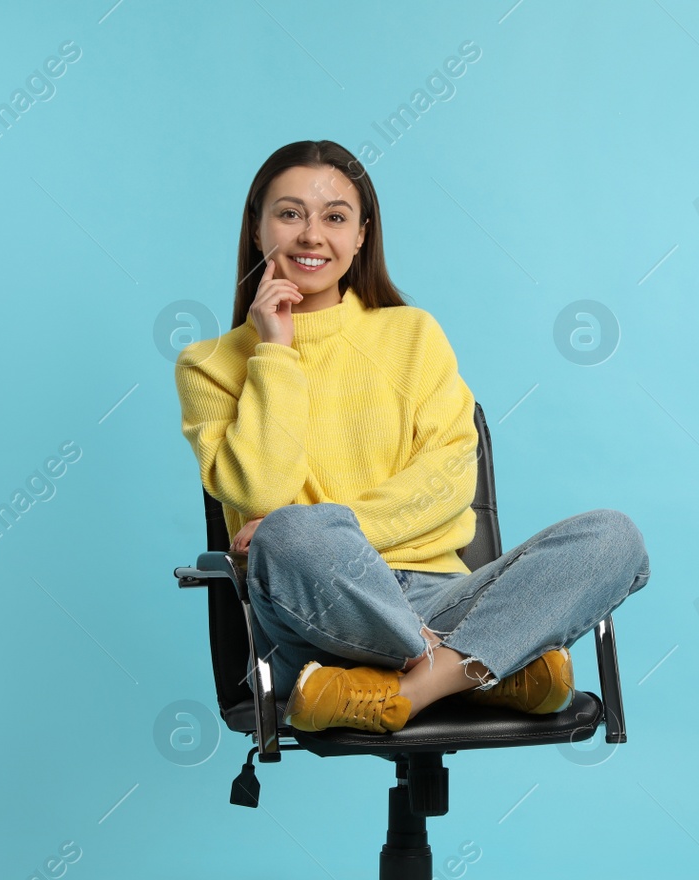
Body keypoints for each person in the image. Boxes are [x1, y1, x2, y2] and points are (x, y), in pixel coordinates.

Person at [174, 139, 649, 735]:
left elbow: (449, 482)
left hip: (437, 597)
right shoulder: (210, 364)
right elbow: (262, 500)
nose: (311, 235)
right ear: (257, 226)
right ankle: (484, 666)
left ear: (363, 234)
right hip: (312, 612)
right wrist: (274, 352)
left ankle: (409, 689)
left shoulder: (413, 335)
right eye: (290, 213)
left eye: (335, 217)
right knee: (293, 532)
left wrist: (340, 523)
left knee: (613, 536)